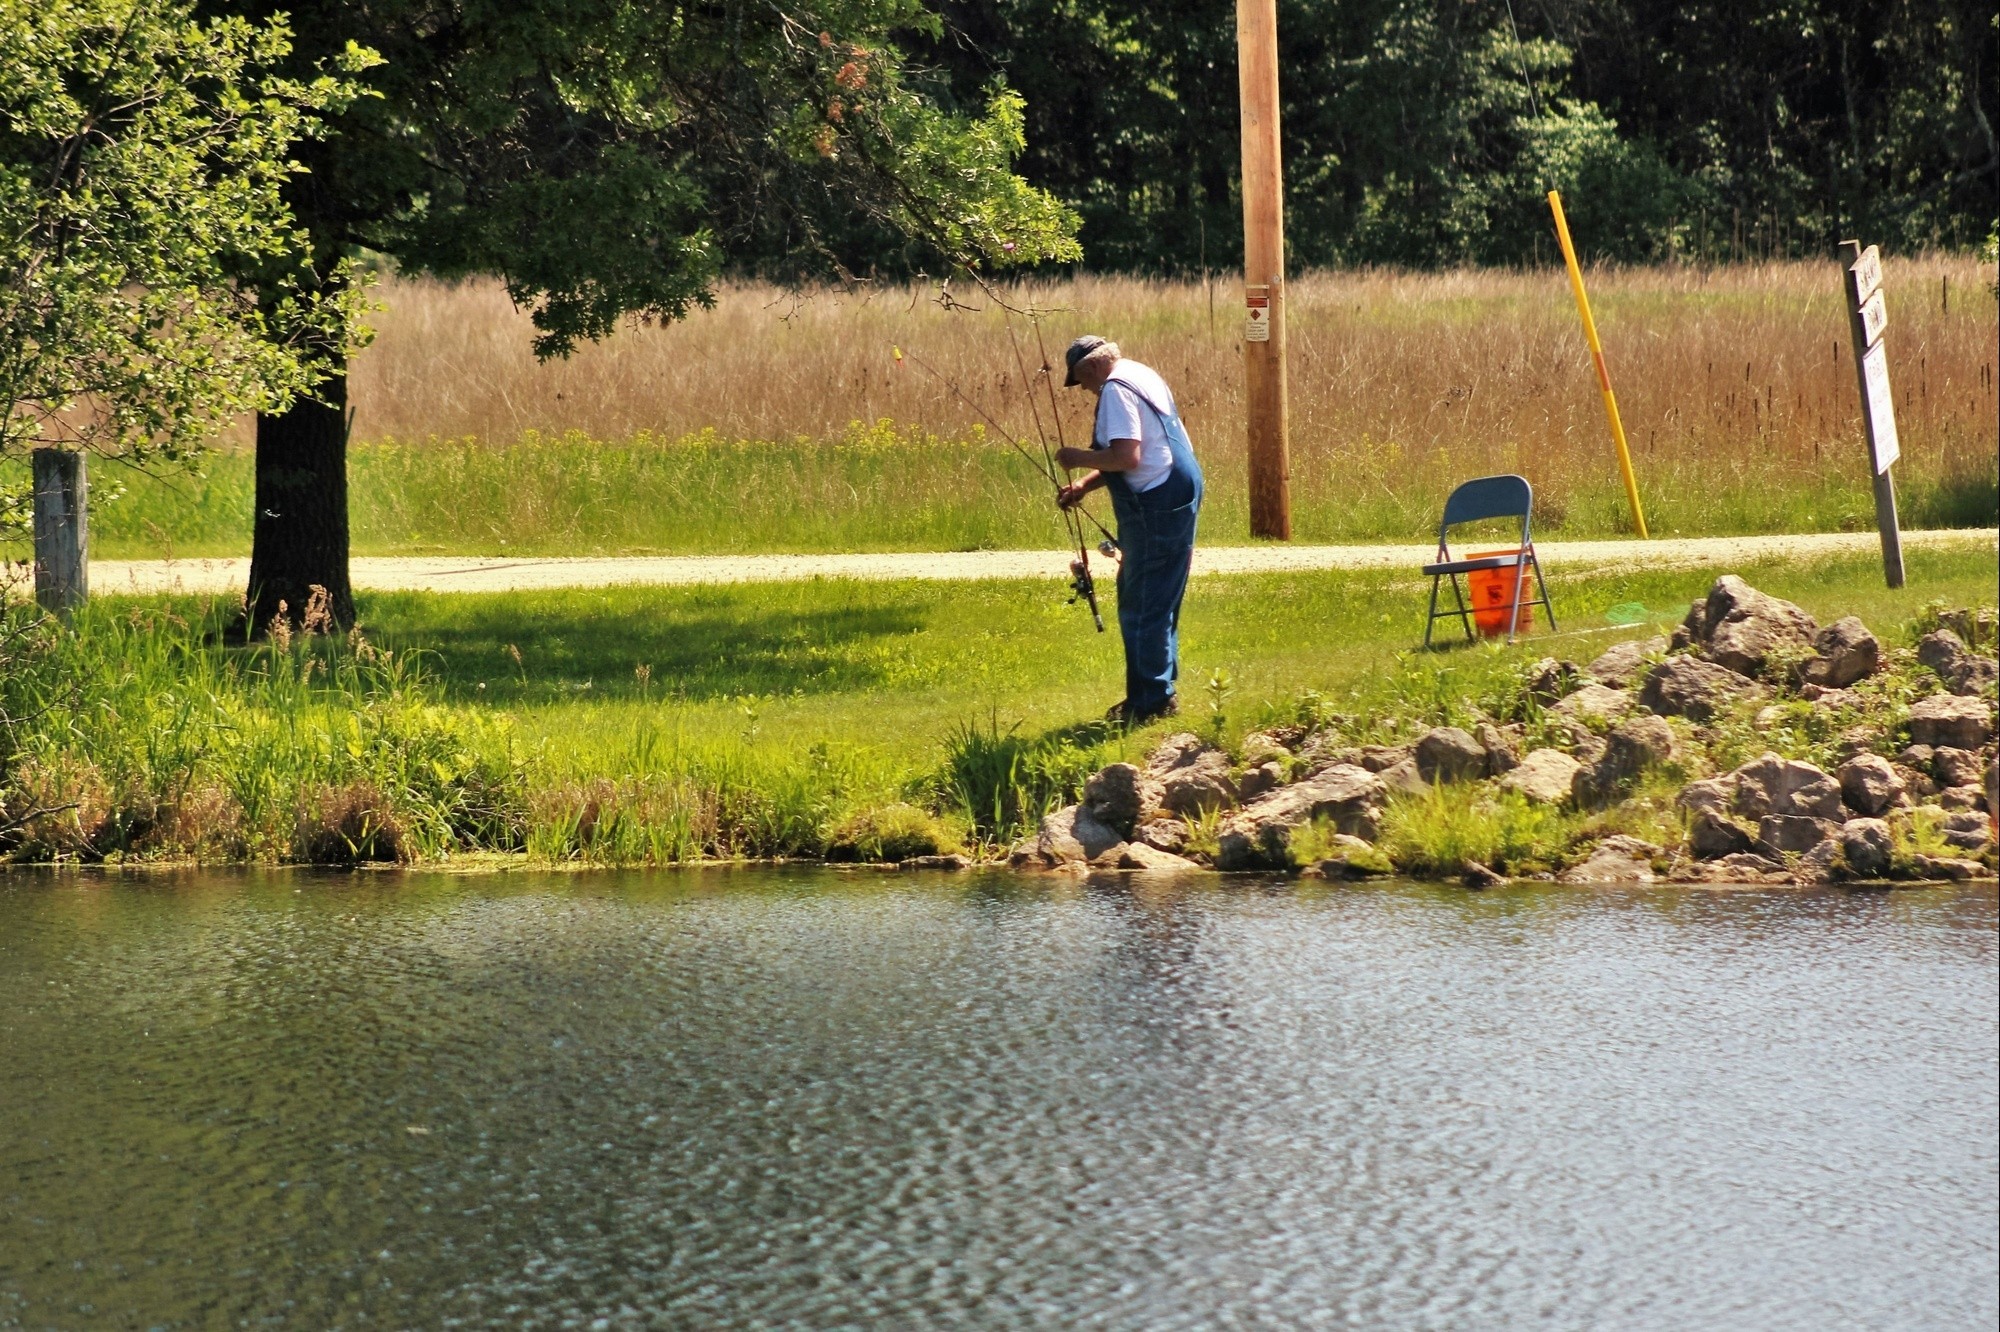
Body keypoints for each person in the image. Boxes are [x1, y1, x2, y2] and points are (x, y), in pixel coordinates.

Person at [1054, 335, 1204, 724]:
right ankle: (1160, 692)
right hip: (1178, 488)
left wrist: (1076, 458)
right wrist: (1085, 485)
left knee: (1142, 604)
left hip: (1157, 503)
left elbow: (1127, 456)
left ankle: (1148, 703)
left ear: (1088, 368)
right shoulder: (1140, 374)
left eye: (1081, 382)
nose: (1086, 391)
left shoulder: (1115, 391)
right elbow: (1150, 450)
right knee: (1160, 598)